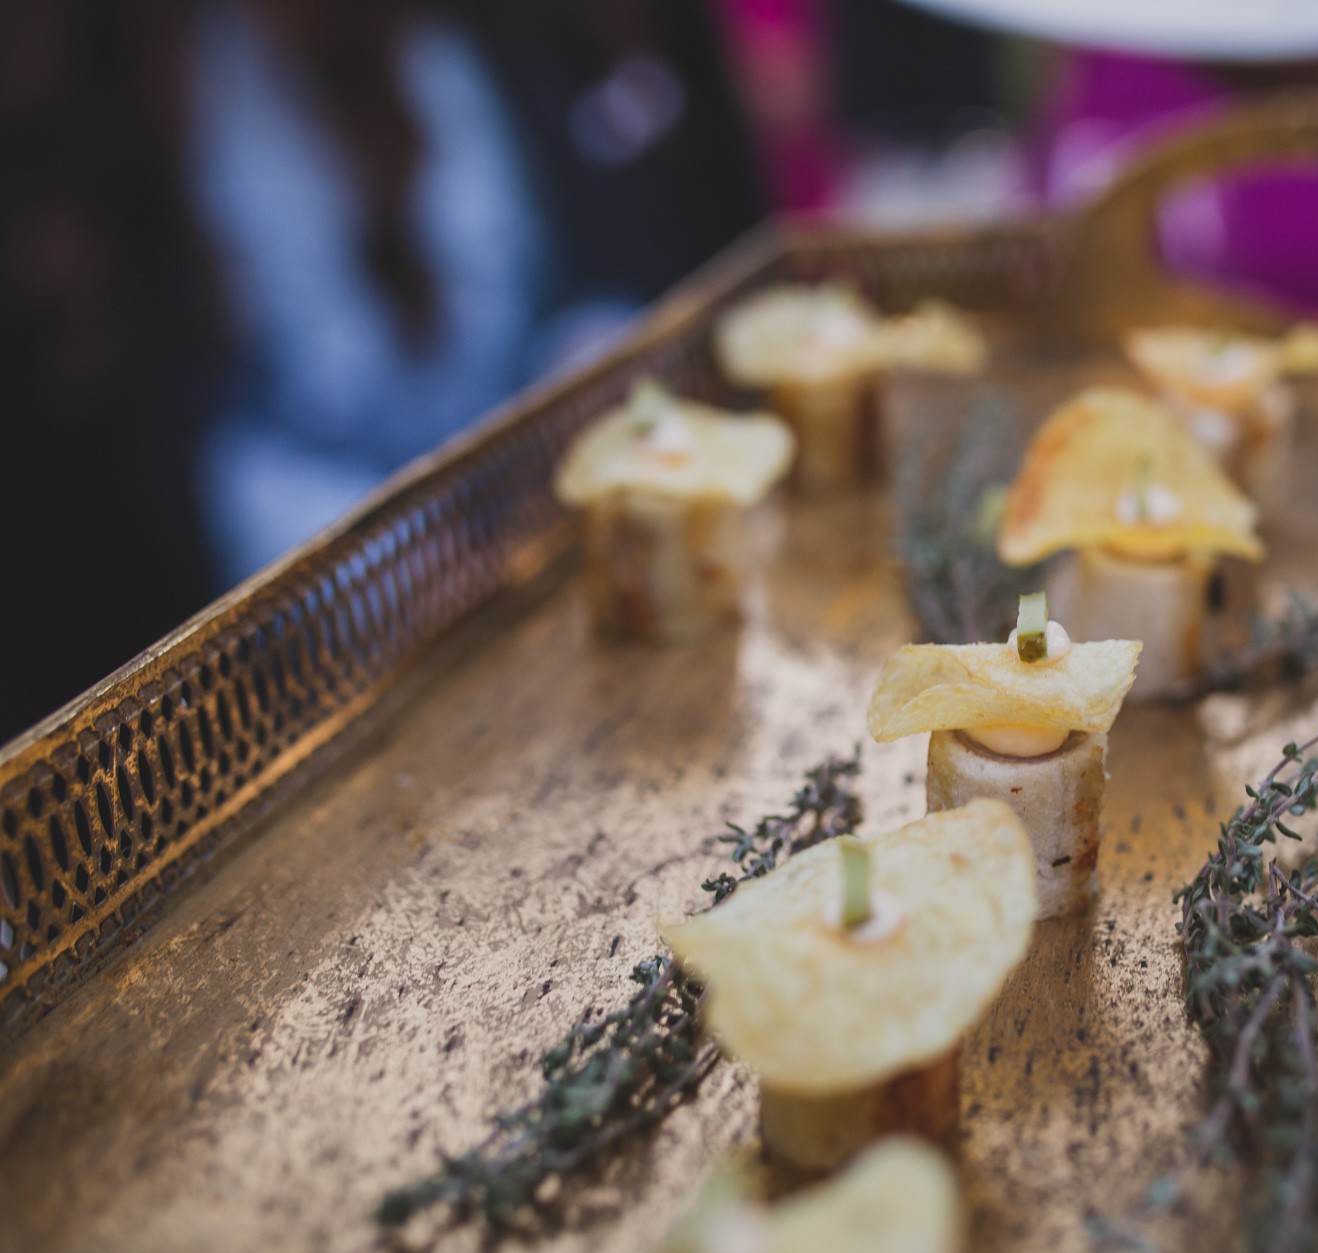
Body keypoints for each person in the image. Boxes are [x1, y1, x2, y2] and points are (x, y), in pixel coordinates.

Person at [0, 0, 764, 740]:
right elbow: (151, 475)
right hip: (299, 698)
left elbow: (581, 269)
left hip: (567, 587)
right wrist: (372, 573)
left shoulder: (481, 35)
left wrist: (592, 381)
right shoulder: (112, 104)